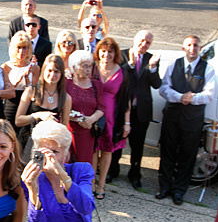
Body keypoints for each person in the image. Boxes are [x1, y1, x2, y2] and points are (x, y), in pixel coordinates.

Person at [156, 35, 214, 206]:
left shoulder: (208, 68)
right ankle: (164, 187)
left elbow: (209, 94)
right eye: (189, 45)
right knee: (168, 151)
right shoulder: (174, 65)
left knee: (187, 155)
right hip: (172, 115)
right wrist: (180, 97)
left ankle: (179, 190)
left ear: (200, 48)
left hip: (193, 119)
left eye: (195, 45)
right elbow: (164, 88)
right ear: (183, 48)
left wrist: (192, 98)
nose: (192, 48)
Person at [92, 38, 133, 200]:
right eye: (103, 50)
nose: (106, 54)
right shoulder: (92, 69)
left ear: (115, 53)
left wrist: (127, 123)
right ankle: (92, 183)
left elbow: (127, 99)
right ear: (98, 52)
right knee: (94, 150)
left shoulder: (122, 72)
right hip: (94, 115)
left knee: (107, 151)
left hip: (112, 118)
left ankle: (102, 184)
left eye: (110, 51)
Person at [119, 30, 160, 189]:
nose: (144, 44)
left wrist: (152, 68)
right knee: (118, 142)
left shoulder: (152, 59)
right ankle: (113, 170)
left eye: (148, 42)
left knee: (137, 145)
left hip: (141, 110)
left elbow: (156, 84)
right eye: (141, 40)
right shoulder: (122, 54)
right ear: (134, 39)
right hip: (123, 108)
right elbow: (119, 76)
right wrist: (129, 64)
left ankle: (135, 174)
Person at [15, 55, 71, 149]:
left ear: (61, 74)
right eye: (49, 70)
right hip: (28, 142)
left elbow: (64, 127)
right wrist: (38, 115)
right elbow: (18, 121)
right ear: (43, 71)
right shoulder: (31, 91)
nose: (52, 75)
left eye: (56, 72)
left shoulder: (66, 98)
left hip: (50, 145)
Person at [65, 50, 104, 164]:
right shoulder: (66, 83)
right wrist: (75, 118)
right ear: (74, 67)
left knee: (83, 165)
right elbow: (59, 106)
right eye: (84, 66)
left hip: (86, 132)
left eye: (90, 66)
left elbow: (102, 108)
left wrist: (91, 119)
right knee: (65, 163)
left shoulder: (96, 85)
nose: (88, 70)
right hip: (68, 130)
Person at [2, 31, 39, 140]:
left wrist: (27, 79)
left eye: (24, 47)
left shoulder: (35, 68)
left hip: (27, 106)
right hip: (11, 104)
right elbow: (5, 91)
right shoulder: (6, 66)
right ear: (13, 48)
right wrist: (18, 81)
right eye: (18, 47)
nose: (21, 51)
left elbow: (35, 91)